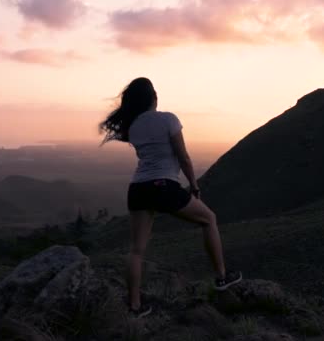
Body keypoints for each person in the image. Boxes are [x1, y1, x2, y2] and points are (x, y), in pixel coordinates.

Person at [100, 77, 242, 318]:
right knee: (208, 219)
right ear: (153, 98)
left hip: (137, 188)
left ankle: (134, 306)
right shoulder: (168, 119)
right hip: (163, 185)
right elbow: (184, 157)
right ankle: (221, 277)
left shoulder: (132, 127)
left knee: (136, 251)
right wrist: (194, 186)